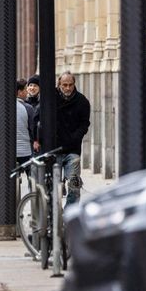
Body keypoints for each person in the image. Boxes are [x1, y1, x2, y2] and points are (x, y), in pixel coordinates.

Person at [56, 71, 90, 206]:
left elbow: (84, 124)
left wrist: (75, 137)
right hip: (55, 148)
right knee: (53, 185)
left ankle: (70, 214)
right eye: (64, 85)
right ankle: (54, 215)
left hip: (72, 149)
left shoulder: (82, 101)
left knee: (74, 184)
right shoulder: (51, 99)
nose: (68, 88)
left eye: (70, 85)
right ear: (59, 84)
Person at [16, 80, 33, 168]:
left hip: (8, 151)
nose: (27, 92)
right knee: (32, 174)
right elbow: (32, 128)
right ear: (19, 92)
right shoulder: (28, 108)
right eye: (26, 90)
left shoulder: (5, 107)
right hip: (25, 150)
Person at [26, 74, 41, 152]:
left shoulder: (42, 103)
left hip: (38, 143)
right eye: (30, 85)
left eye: (35, 85)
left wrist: (36, 140)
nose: (32, 88)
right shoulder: (24, 102)